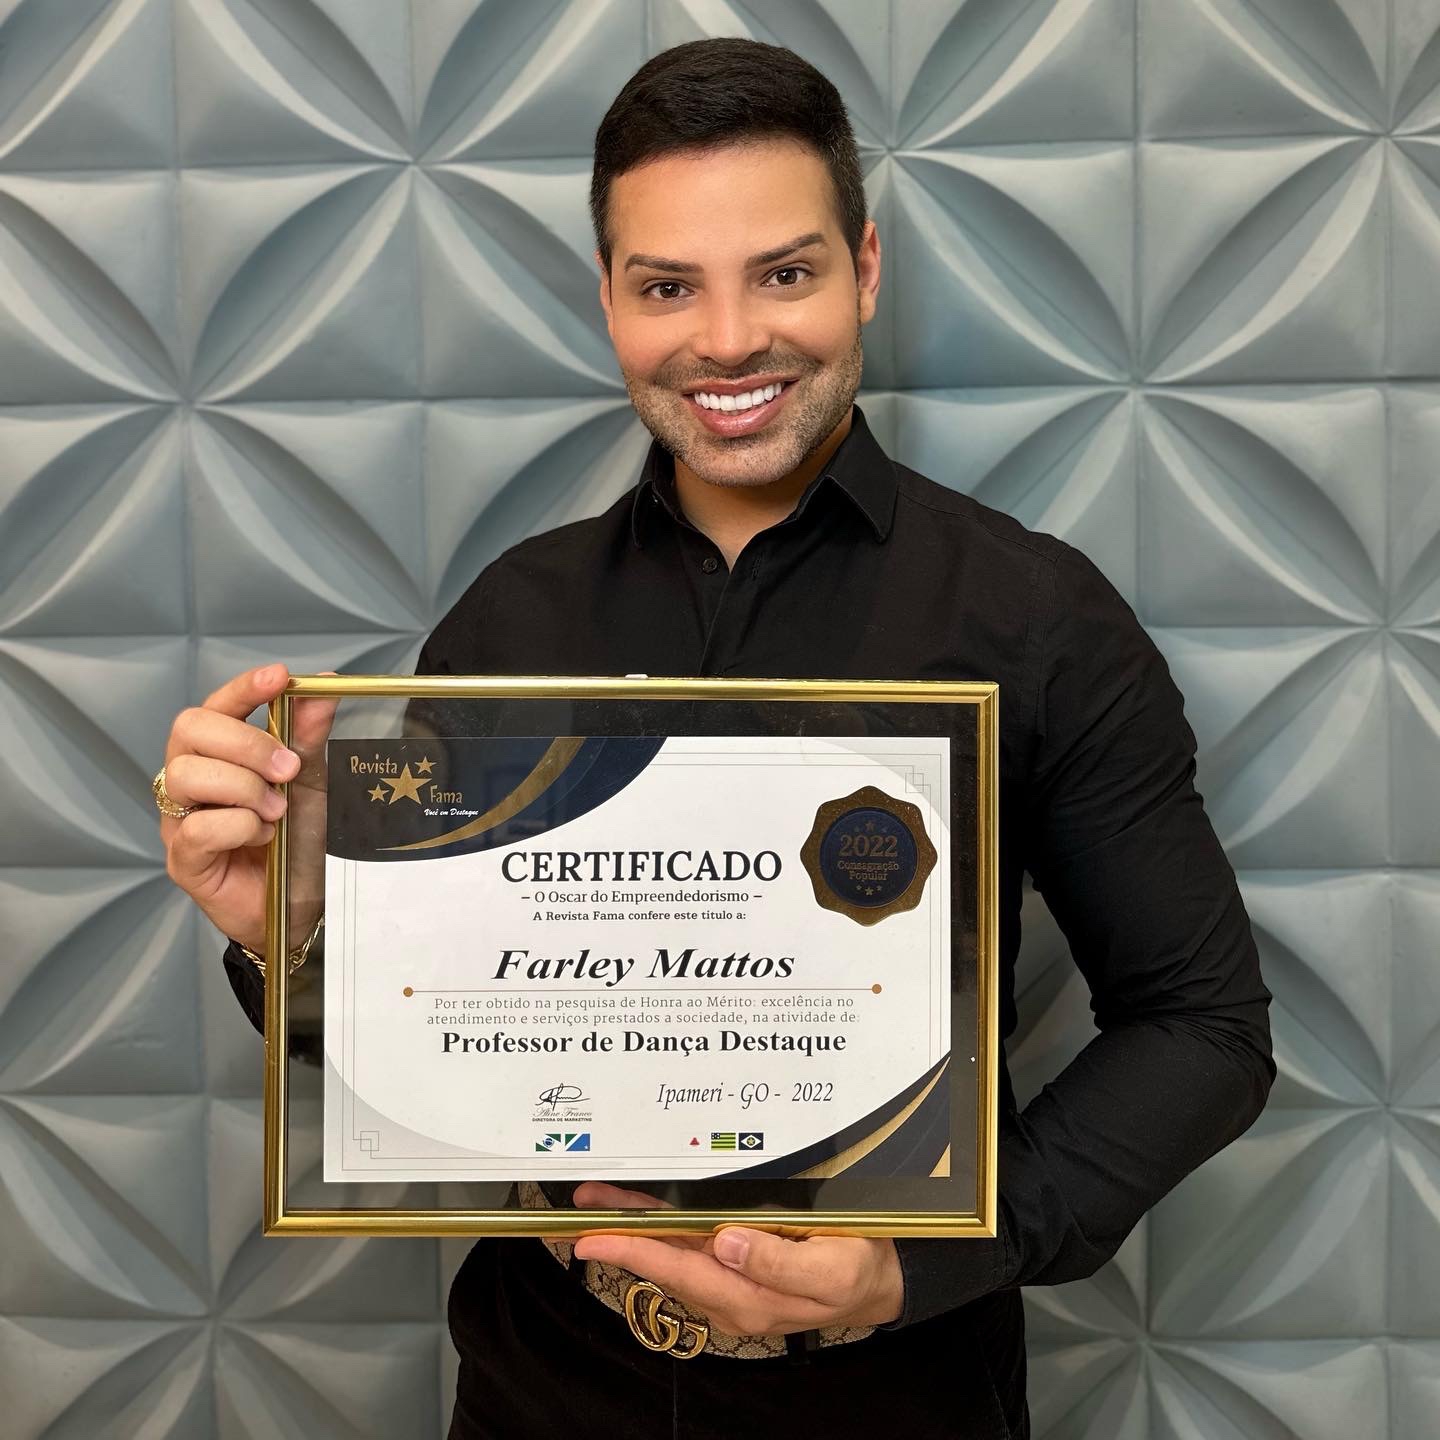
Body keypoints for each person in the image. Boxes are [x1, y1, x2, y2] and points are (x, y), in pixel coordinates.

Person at [156, 38, 1274, 1440]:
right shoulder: (510, 620)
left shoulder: (1038, 617)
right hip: (538, 1390)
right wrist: (301, 930)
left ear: (866, 269)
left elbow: (1204, 1030)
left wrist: (920, 1264)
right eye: (668, 286)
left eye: (785, 273)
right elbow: (440, 1042)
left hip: (900, 1403)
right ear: (610, 300)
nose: (730, 339)